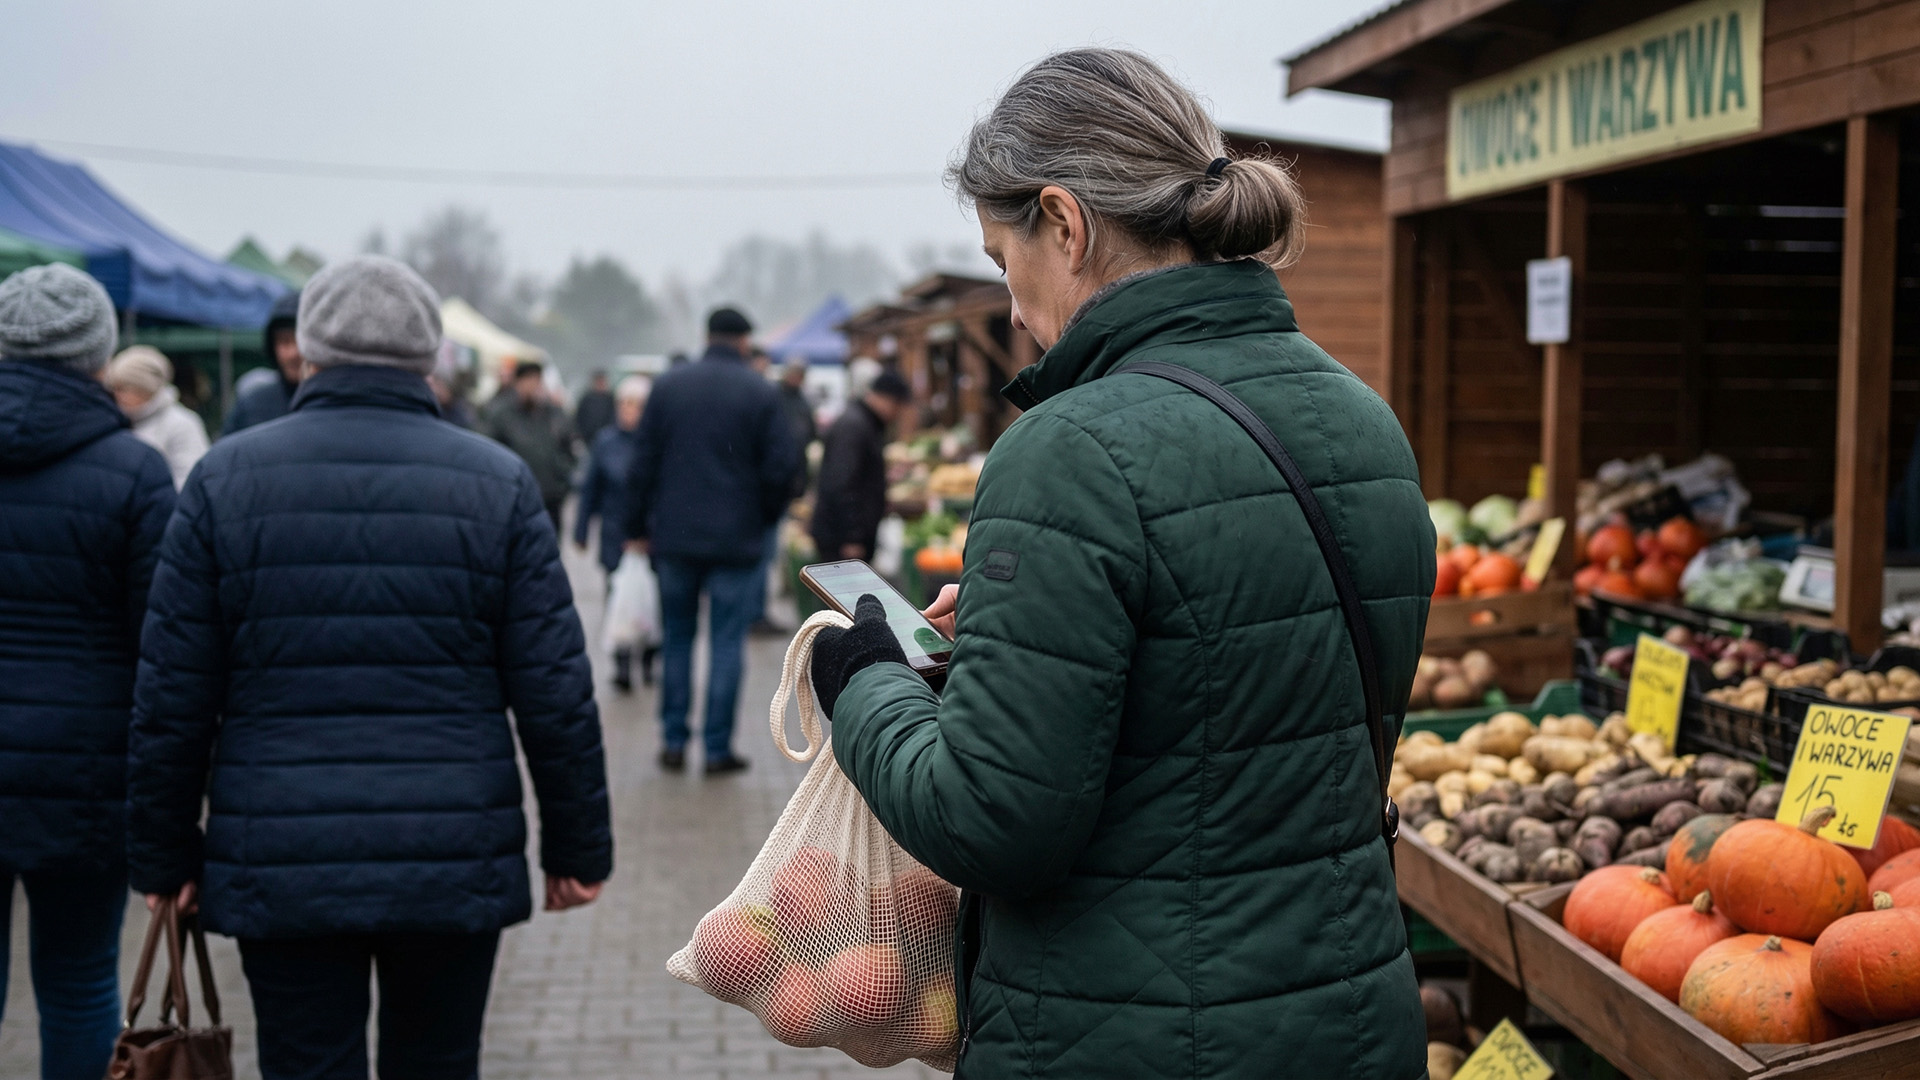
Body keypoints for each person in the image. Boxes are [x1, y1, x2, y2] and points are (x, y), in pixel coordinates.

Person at [807, 49, 1431, 1079]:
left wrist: (868, 684)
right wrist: (1017, 658)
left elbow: (993, 823)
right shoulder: (1363, 422)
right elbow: (1237, 718)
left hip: (1127, 1034)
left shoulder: (1069, 448)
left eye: (1004, 260)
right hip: (1354, 1022)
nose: (1011, 306)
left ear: (1064, 223)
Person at [127, 256, 613, 1079]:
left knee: (306, 1063)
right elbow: (555, 688)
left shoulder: (223, 479)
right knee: (438, 1061)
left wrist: (164, 855)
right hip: (451, 843)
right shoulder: (496, 483)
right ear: (430, 359)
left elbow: (174, 692)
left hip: (279, 849)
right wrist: (577, 847)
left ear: (306, 351)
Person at [0, 264, 176, 1080]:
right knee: (76, 982)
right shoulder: (136, 473)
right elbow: (161, 644)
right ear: (101, 354)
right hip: (85, 768)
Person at [624, 307, 798, 774]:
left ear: (707, 336)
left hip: (675, 540)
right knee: (725, 643)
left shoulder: (668, 386)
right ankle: (718, 749)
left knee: (678, 639)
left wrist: (636, 527)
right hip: (737, 543)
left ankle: (674, 741)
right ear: (744, 341)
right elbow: (783, 467)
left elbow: (641, 464)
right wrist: (763, 517)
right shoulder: (758, 391)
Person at [575, 375, 655, 690]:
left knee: (648, 598)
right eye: (623, 403)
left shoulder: (653, 442)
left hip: (648, 538)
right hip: (614, 534)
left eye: (635, 404)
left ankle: (649, 656)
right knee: (616, 596)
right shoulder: (606, 441)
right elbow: (590, 489)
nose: (627, 410)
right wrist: (581, 529)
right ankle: (622, 662)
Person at [811, 369, 909, 562]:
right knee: (843, 591)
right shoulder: (854, 427)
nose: (897, 414)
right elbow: (842, 483)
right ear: (886, 399)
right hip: (839, 538)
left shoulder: (863, 422)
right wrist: (852, 538)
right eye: (897, 406)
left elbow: (857, 475)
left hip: (844, 534)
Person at [481, 360, 575, 531]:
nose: (532, 385)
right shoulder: (501, 414)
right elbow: (488, 452)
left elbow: (569, 448)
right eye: (527, 379)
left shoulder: (553, 414)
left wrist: (563, 482)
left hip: (550, 498)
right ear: (517, 382)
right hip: (514, 498)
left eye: (536, 379)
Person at [104, 345, 211, 489]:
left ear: (145, 389)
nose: (116, 396)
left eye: (123, 389)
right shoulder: (113, 421)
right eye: (113, 388)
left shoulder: (182, 424)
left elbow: (189, 482)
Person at [222, 288, 302, 434]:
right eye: (284, 342)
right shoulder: (252, 405)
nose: (293, 353)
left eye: (299, 341)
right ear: (272, 346)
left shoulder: (333, 403)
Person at [778, 358, 817, 451]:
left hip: (799, 453)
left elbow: (811, 430)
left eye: (800, 375)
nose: (796, 378)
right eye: (794, 373)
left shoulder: (804, 400)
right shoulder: (774, 396)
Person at [573, 369, 616, 447]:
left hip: (607, 436)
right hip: (588, 438)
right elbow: (579, 417)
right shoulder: (586, 398)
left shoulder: (610, 398)